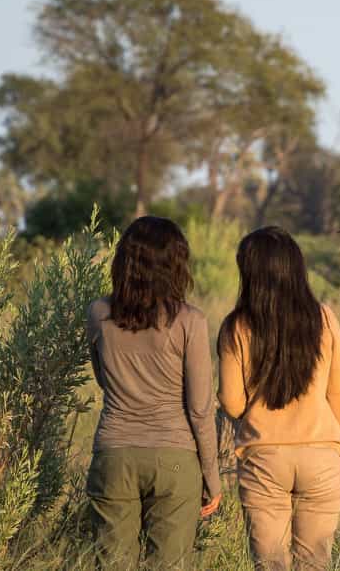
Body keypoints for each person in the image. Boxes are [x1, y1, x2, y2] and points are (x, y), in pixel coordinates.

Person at [85, 216, 221, 569]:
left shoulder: (99, 313)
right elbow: (201, 408)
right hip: (175, 457)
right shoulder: (190, 321)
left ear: (123, 261)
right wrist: (211, 474)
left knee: (112, 563)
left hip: (114, 452)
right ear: (176, 264)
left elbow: (104, 380)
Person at [217, 227, 340, 570]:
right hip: (323, 455)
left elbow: (232, 403)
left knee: (271, 564)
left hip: (264, 458)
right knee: (315, 563)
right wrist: (337, 446)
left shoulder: (237, 326)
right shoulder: (323, 317)